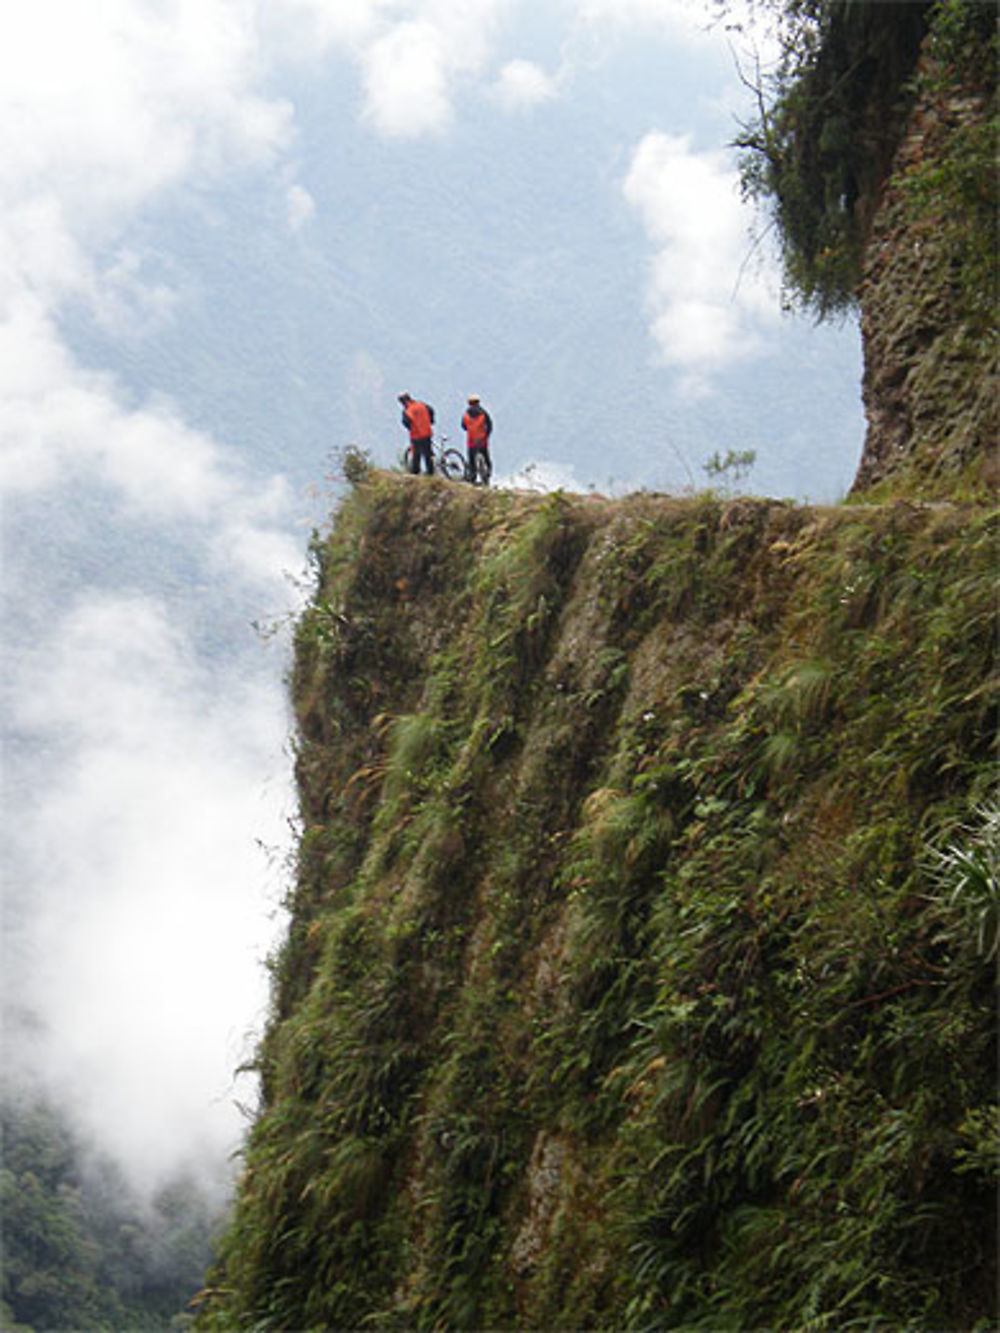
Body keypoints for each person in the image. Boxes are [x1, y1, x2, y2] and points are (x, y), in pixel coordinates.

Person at [399, 393, 435, 475]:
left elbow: (406, 422)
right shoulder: (422, 405)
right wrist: (431, 421)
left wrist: (410, 428)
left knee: (416, 454)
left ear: (403, 402)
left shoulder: (407, 411)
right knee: (428, 454)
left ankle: (415, 472)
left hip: (416, 435)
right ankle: (430, 472)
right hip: (427, 432)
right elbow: (431, 411)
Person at [461, 394, 492, 485]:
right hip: (482, 440)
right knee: (486, 456)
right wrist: (487, 435)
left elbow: (463, 426)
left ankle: (473, 477)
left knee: (471, 459)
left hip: (471, 440)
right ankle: (488, 472)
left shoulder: (466, 414)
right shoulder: (483, 413)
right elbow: (489, 425)